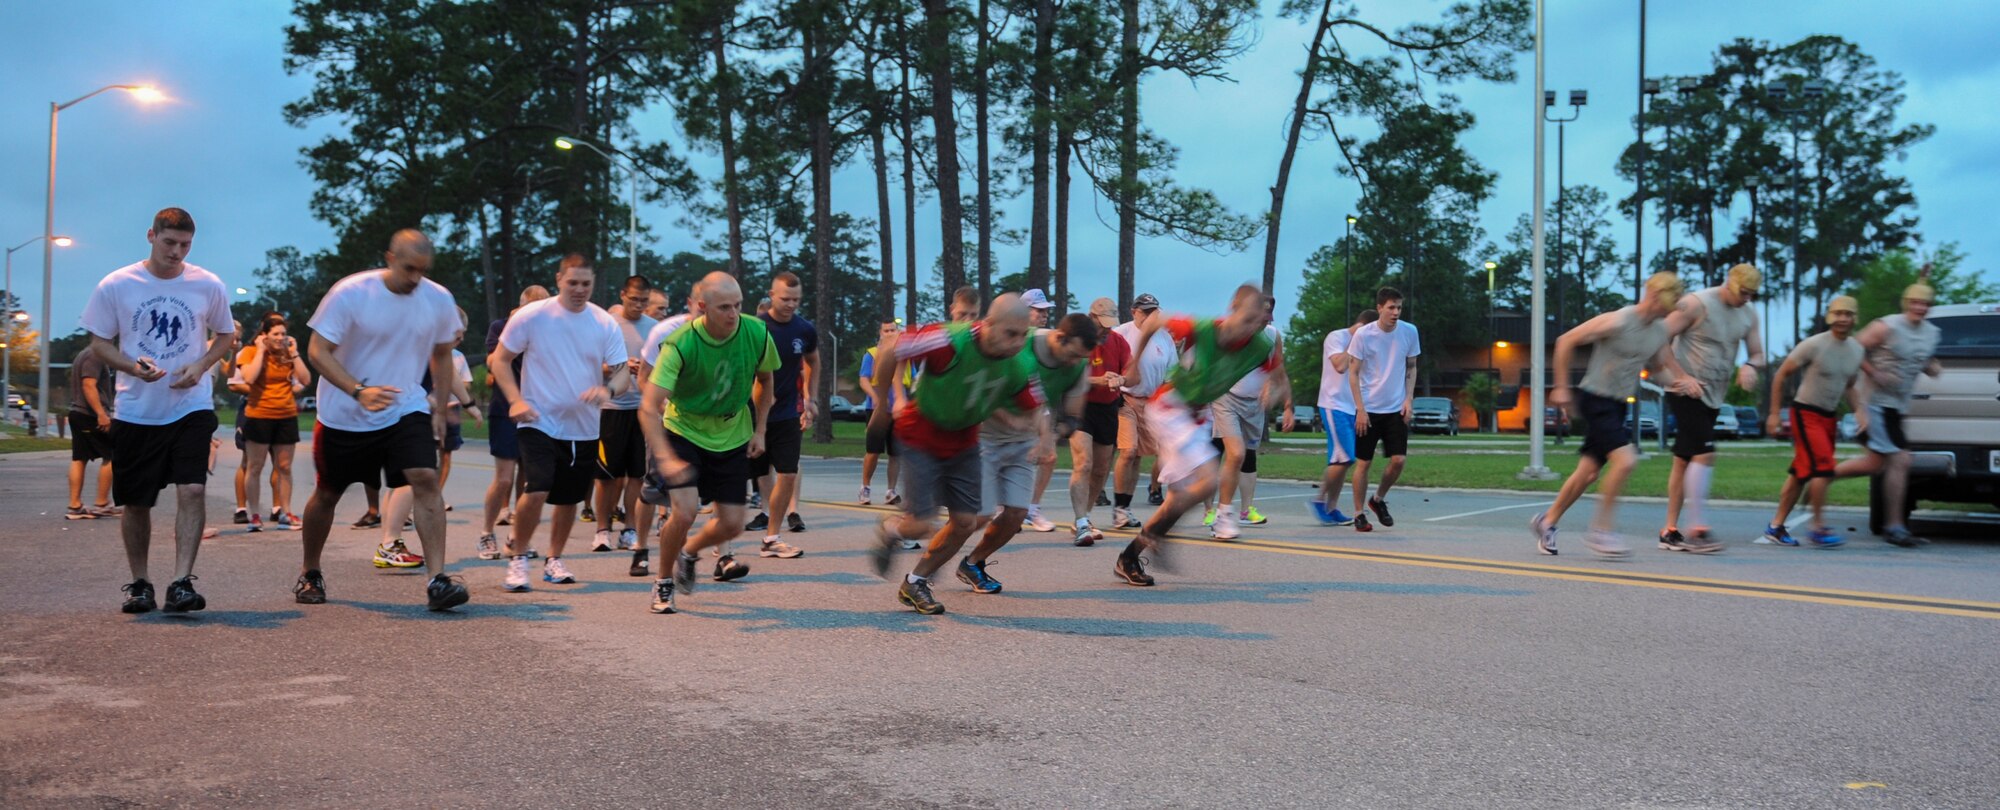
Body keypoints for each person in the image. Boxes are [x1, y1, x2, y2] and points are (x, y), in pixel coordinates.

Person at [293, 229, 470, 611]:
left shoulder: (438, 299)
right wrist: (357, 390)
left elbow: (441, 355)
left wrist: (439, 409)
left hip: (404, 406)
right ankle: (310, 572)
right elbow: (318, 351)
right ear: (390, 257)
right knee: (328, 495)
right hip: (344, 414)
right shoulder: (352, 293)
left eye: (422, 271)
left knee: (424, 478)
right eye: (408, 269)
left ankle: (437, 580)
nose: (415, 279)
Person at [82, 207, 237, 614]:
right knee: (136, 502)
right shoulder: (117, 284)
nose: (177, 252)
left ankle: (182, 583)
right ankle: (140, 583)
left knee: (193, 488)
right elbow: (99, 342)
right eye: (169, 242)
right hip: (137, 409)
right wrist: (133, 367)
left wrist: (201, 365)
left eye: (185, 245)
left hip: (191, 404)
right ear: (151, 235)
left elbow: (225, 335)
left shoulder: (207, 284)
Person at [864, 294, 1041, 614]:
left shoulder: (1018, 364)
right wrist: (886, 401)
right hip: (921, 434)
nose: (1017, 342)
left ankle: (916, 582)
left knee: (965, 522)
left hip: (964, 441)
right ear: (987, 325)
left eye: (1023, 335)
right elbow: (891, 348)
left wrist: (1026, 425)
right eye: (1010, 333)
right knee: (920, 523)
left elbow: (1031, 404)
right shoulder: (949, 340)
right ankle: (891, 529)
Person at [1117, 285, 1284, 585]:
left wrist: (1275, 392)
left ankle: (1130, 556)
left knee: (1178, 499)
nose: (1248, 329)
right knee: (1209, 480)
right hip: (1169, 406)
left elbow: (1279, 375)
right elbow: (1154, 320)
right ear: (1233, 307)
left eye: (1257, 323)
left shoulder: (1260, 346)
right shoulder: (1203, 328)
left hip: (1196, 416)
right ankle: (1158, 538)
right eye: (1246, 319)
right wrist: (1134, 362)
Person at [638, 272, 778, 614]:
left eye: (738, 305)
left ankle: (688, 554)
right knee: (684, 512)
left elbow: (766, 380)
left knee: (733, 524)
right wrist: (664, 456)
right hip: (684, 431)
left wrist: (760, 430)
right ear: (702, 307)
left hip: (732, 433)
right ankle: (663, 582)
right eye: (724, 308)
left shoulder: (756, 332)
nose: (734, 314)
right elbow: (647, 408)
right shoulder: (681, 344)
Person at [487, 255, 629, 591]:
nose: (579, 290)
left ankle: (554, 559)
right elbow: (500, 361)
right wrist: (516, 400)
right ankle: (519, 558)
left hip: (583, 425)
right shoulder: (532, 316)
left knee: (568, 498)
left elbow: (623, 373)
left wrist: (606, 388)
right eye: (573, 283)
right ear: (559, 280)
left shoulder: (603, 322)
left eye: (586, 284)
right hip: (538, 419)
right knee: (537, 487)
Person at [1529, 273, 1687, 557]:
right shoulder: (1619, 320)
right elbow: (1567, 341)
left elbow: (1657, 367)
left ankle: (1547, 521)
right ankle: (1600, 531)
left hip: (1617, 405)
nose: (1672, 309)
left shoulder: (1659, 331)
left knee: (1588, 472)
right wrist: (1561, 386)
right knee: (1626, 461)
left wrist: (1678, 382)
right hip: (1595, 398)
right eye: (1670, 301)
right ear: (1654, 296)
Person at [952, 312, 1095, 596]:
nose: (1073, 362)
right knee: (978, 516)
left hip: (1026, 440)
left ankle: (972, 564)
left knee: (1016, 514)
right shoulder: (1022, 343)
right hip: (984, 434)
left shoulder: (1079, 366)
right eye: (1072, 354)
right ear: (1059, 337)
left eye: (1080, 357)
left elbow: (1073, 417)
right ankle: (922, 572)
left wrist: (1051, 437)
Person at [1794, 283, 1943, 547]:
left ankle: (1822, 478)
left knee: (1876, 464)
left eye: (1925, 304)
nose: (1920, 308)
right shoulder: (1887, 326)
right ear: (1906, 302)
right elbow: (1854, 347)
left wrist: (1931, 367)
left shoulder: (1932, 333)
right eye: (1915, 302)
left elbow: (1924, 359)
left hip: (1897, 406)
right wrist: (1874, 373)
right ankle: (1895, 527)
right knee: (1900, 459)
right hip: (1874, 402)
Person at [1656, 263, 1766, 554]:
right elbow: (1658, 338)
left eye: (1753, 294)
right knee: (1705, 454)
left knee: (1684, 460)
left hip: (1713, 394)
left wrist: (1750, 365)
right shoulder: (1697, 303)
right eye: (1744, 292)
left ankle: (1669, 530)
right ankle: (1698, 530)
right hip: (1683, 389)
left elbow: (1758, 353)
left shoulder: (1748, 313)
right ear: (1730, 282)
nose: (1747, 298)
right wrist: (1682, 376)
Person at [1760, 296, 1866, 548]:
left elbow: (1849, 386)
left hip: (1828, 417)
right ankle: (1817, 527)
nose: (1842, 318)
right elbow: (1781, 375)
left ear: (1854, 318)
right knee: (1823, 469)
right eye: (1837, 313)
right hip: (1805, 413)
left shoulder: (1857, 350)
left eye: (1848, 314)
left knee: (1800, 473)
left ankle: (1775, 527)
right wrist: (1774, 414)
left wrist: (1860, 410)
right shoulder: (1814, 344)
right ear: (1830, 316)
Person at [378, 308, 481, 567]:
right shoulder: (421, 341)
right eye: (459, 329)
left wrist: (468, 404)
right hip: (399, 413)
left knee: (401, 481)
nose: (461, 335)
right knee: (414, 477)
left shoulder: (428, 342)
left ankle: (389, 541)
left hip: (398, 412)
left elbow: (450, 375)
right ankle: (390, 543)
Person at [1205, 294, 1292, 540]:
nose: (1267, 317)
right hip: (1226, 398)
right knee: (1235, 453)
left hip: (1253, 404)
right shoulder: (1228, 329)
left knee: (1246, 455)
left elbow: (1279, 370)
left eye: (1269, 312)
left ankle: (1241, 510)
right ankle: (1220, 516)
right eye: (1261, 312)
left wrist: (1287, 405)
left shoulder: (1272, 335)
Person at [744, 272, 817, 557]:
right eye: (785, 299)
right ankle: (721, 539)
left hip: (787, 411)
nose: (790, 304)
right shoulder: (755, 327)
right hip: (750, 413)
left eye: (796, 300)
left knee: (787, 473)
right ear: (772, 296)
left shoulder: (805, 329)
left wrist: (810, 397)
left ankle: (771, 538)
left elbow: (813, 360)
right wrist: (756, 394)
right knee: (747, 474)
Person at [478, 285, 550, 560]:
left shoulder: (551, 330)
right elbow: (493, 361)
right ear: (519, 308)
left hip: (537, 411)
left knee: (529, 479)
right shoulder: (502, 327)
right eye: (532, 309)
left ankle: (517, 537)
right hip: (506, 409)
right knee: (504, 478)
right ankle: (486, 533)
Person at [590, 275, 659, 555]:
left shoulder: (655, 328)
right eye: (634, 300)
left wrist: (646, 369)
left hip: (642, 409)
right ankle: (602, 530)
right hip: (611, 409)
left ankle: (630, 529)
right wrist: (617, 367)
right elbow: (591, 361)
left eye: (644, 301)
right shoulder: (608, 324)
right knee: (607, 475)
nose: (639, 305)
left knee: (638, 475)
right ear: (622, 295)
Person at [1348, 287, 1421, 532]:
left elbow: (1411, 367)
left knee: (1399, 460)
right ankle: (1359, 513)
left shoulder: (1409, 332)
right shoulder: (1364, 335)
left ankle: (1377, 499)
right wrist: (1360, 409)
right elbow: (1353, 373)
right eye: (1391, 307)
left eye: (1399, 307)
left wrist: (1408, 399)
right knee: (1363, 463)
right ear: (1379, 308)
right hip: (1368, 409)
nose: (1396, 312)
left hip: (1395, 407)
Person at [235, 312, 312, 533]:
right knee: (255, 467)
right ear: (264, 335)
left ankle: (286, 513)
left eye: (284, 334)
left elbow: (306, 379)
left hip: (286, 415)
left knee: (284, 467)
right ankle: (254, 515)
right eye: (276, 334)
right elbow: (249, 377)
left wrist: (295, 353)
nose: (280, 338)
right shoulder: (250, 352)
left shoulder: (288, 354)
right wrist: (260, 350)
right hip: (259, 415)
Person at [1067, 298, 1131, 545]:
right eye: (1102, 324)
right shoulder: (1078, 341)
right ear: (1091, 317)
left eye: (1110, 325)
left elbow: (1133, 374)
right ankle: (1081, 522)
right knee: (1084, 463)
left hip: (1108, 408)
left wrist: (1121, 379)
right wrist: (1099, 380)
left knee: (1101, 469)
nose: (1106, 329)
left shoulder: (1118, 341)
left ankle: (1085, 517)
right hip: (1080, 406)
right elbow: (1069, 378)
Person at [1310, 309, 1377, 528]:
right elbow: (1339, 366)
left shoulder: (1366, 347)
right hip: (1333, 405)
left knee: (1341, 460)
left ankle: (1331, 507)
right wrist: (1355, 340)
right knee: (1346, 457)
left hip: (1352, 409)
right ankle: (1319, 501)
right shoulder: (1336, 337)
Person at [1112, 294, 1171, 528]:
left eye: (1153, 311)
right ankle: (1118, 509)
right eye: (1145, 311)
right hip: (1125, 398)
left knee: (1137, 457)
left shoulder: (1164, 338)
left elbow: (1171, 373)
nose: (1150, 315)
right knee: (1128, 451)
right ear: (1133, 311)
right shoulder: (1121, 333)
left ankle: (1124, 508)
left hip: (1151, 402)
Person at [1017, 288, 1064, 532]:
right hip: (1011, 404)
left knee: (1050, 456)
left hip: (1039, 403)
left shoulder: (1044, 337)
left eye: (1046, 311)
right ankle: (1006, 509)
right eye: (1039, 310)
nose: (1044, 315)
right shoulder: (1015, 335)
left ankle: (1032, 509)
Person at [857, 318, 910, 506]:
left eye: (893, 330)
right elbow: (864, 379)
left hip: (897, 410)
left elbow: (910, 379)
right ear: (880, 333)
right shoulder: (872, 354)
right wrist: (877, 397)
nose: (889, 334)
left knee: (896, 452)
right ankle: (865, 487)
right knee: (873, 450)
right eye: (886, 331)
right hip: (877, 408)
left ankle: (891, 490)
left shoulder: (905, 355)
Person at [65, 345, 119, 520]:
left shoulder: (84, 353)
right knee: (112, 455)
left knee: (79, 458)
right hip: (89, 414)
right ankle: (102, 503)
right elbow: (88, 384)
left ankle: (75, 506)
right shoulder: (95, 355)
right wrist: (101, 414)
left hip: (78, 412)